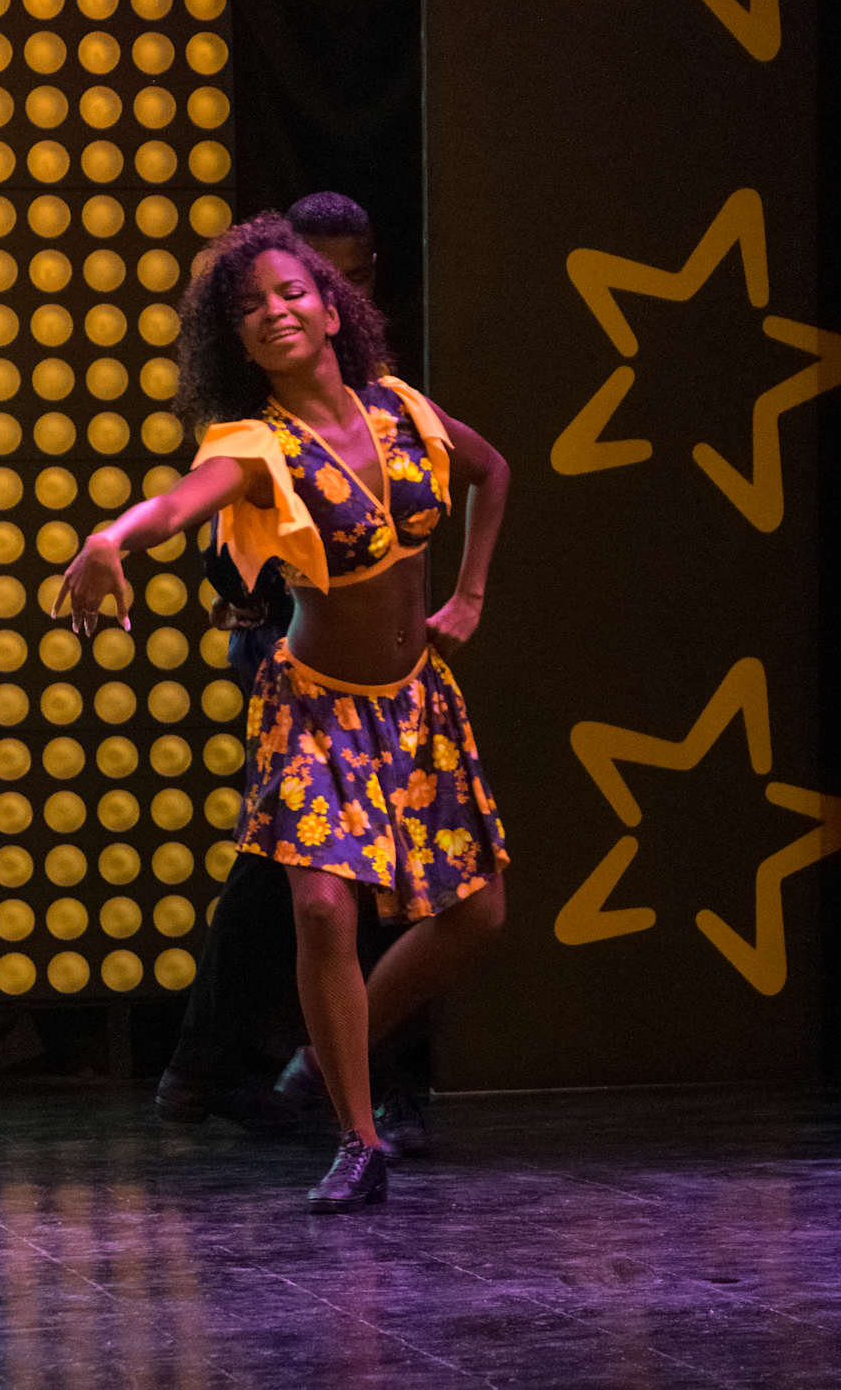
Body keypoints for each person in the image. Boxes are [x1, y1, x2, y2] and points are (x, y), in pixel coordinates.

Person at [52, 211, 510, 1213]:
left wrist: (470, 595)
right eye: (252, 309)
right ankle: (358, 1140)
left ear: (334, 310)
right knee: (319, 906)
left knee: (477, 913)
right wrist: (111, 538)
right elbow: (182, 502)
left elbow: (493, 472)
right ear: (241, 344)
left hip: (418, 703)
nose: (275, 311)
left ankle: (326, 1049)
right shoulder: (257, 445)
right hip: (316, 710)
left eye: (291, 293)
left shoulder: (403, 411)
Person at [155, 195, 391, 1136]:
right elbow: (210, 516)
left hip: (384, 678)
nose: (296, 306)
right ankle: (246, 1067)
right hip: (291, 653)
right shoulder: (259, 416)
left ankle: (251, 1065)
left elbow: (478, 473)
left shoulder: (376, 393)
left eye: (336, 281)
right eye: (270, 298)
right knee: (297, 873)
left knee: (330, 874)